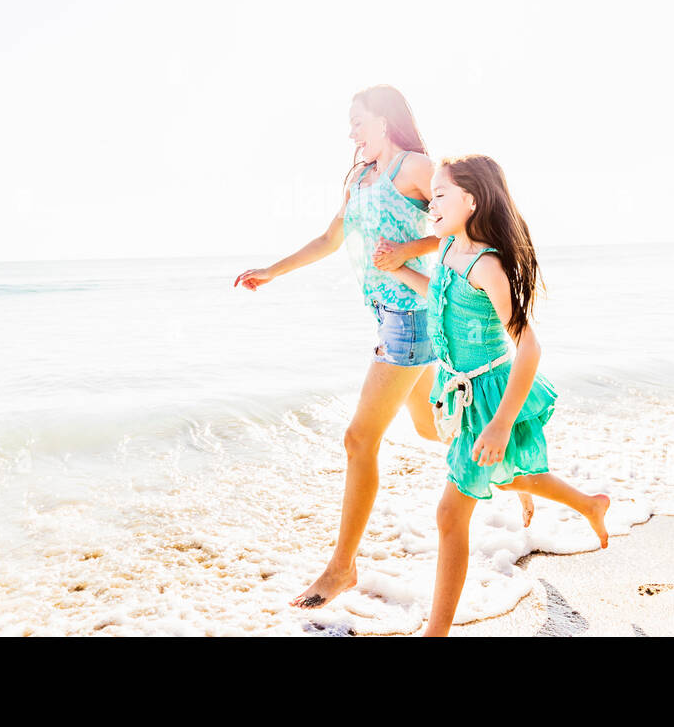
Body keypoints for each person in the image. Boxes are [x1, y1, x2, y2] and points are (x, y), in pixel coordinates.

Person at [233, 85, 531, 610]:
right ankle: (509, 465)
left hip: (411, 318)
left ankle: (341, 568)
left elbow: (454, 227)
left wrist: (405, 254)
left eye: (357, 121)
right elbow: (330, 239)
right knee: (425, 427)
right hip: (388, 318)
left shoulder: (415, 168)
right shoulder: (361, 178)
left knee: (357, 439)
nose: (351, 133)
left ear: (385, 121)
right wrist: (271, 272)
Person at [387, 153, 610, 637]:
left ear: (471, 199)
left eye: (440, 194)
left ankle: (436, 632)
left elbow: (529, 345)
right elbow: (442, 294)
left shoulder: (488, 264)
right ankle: (590, 505)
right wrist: (400, 269)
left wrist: (502, 421)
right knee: (509, 479)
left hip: (490, 394)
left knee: (451, 512)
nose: (432, 203)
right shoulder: (449, 247)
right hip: (459, 392)